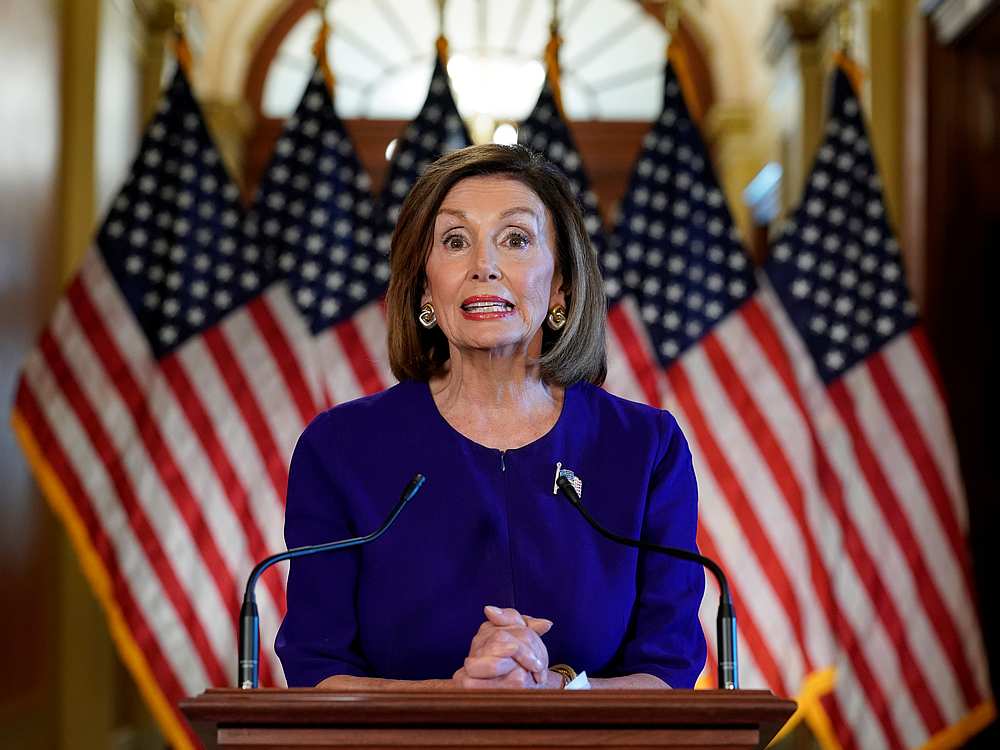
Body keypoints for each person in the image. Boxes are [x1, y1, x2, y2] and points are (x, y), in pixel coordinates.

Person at [275, 143, 706, 690]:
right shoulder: (340, 449)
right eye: (456, 241)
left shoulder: (645, 447)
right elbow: (317, 670)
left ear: (561, 287)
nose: (484, 266)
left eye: (516, 239)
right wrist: (456, 699)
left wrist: (558, 691)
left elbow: (668, 671)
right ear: (425, 286)